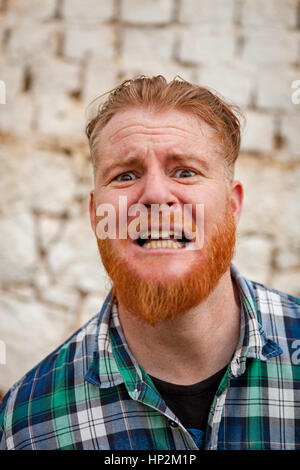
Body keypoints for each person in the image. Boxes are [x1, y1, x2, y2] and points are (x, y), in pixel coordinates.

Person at [0, 76, 299, 451]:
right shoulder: (28, 422)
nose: (156, 194)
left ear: (233, 206)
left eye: (185, 171)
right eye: (126, 175)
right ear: (97, 215)